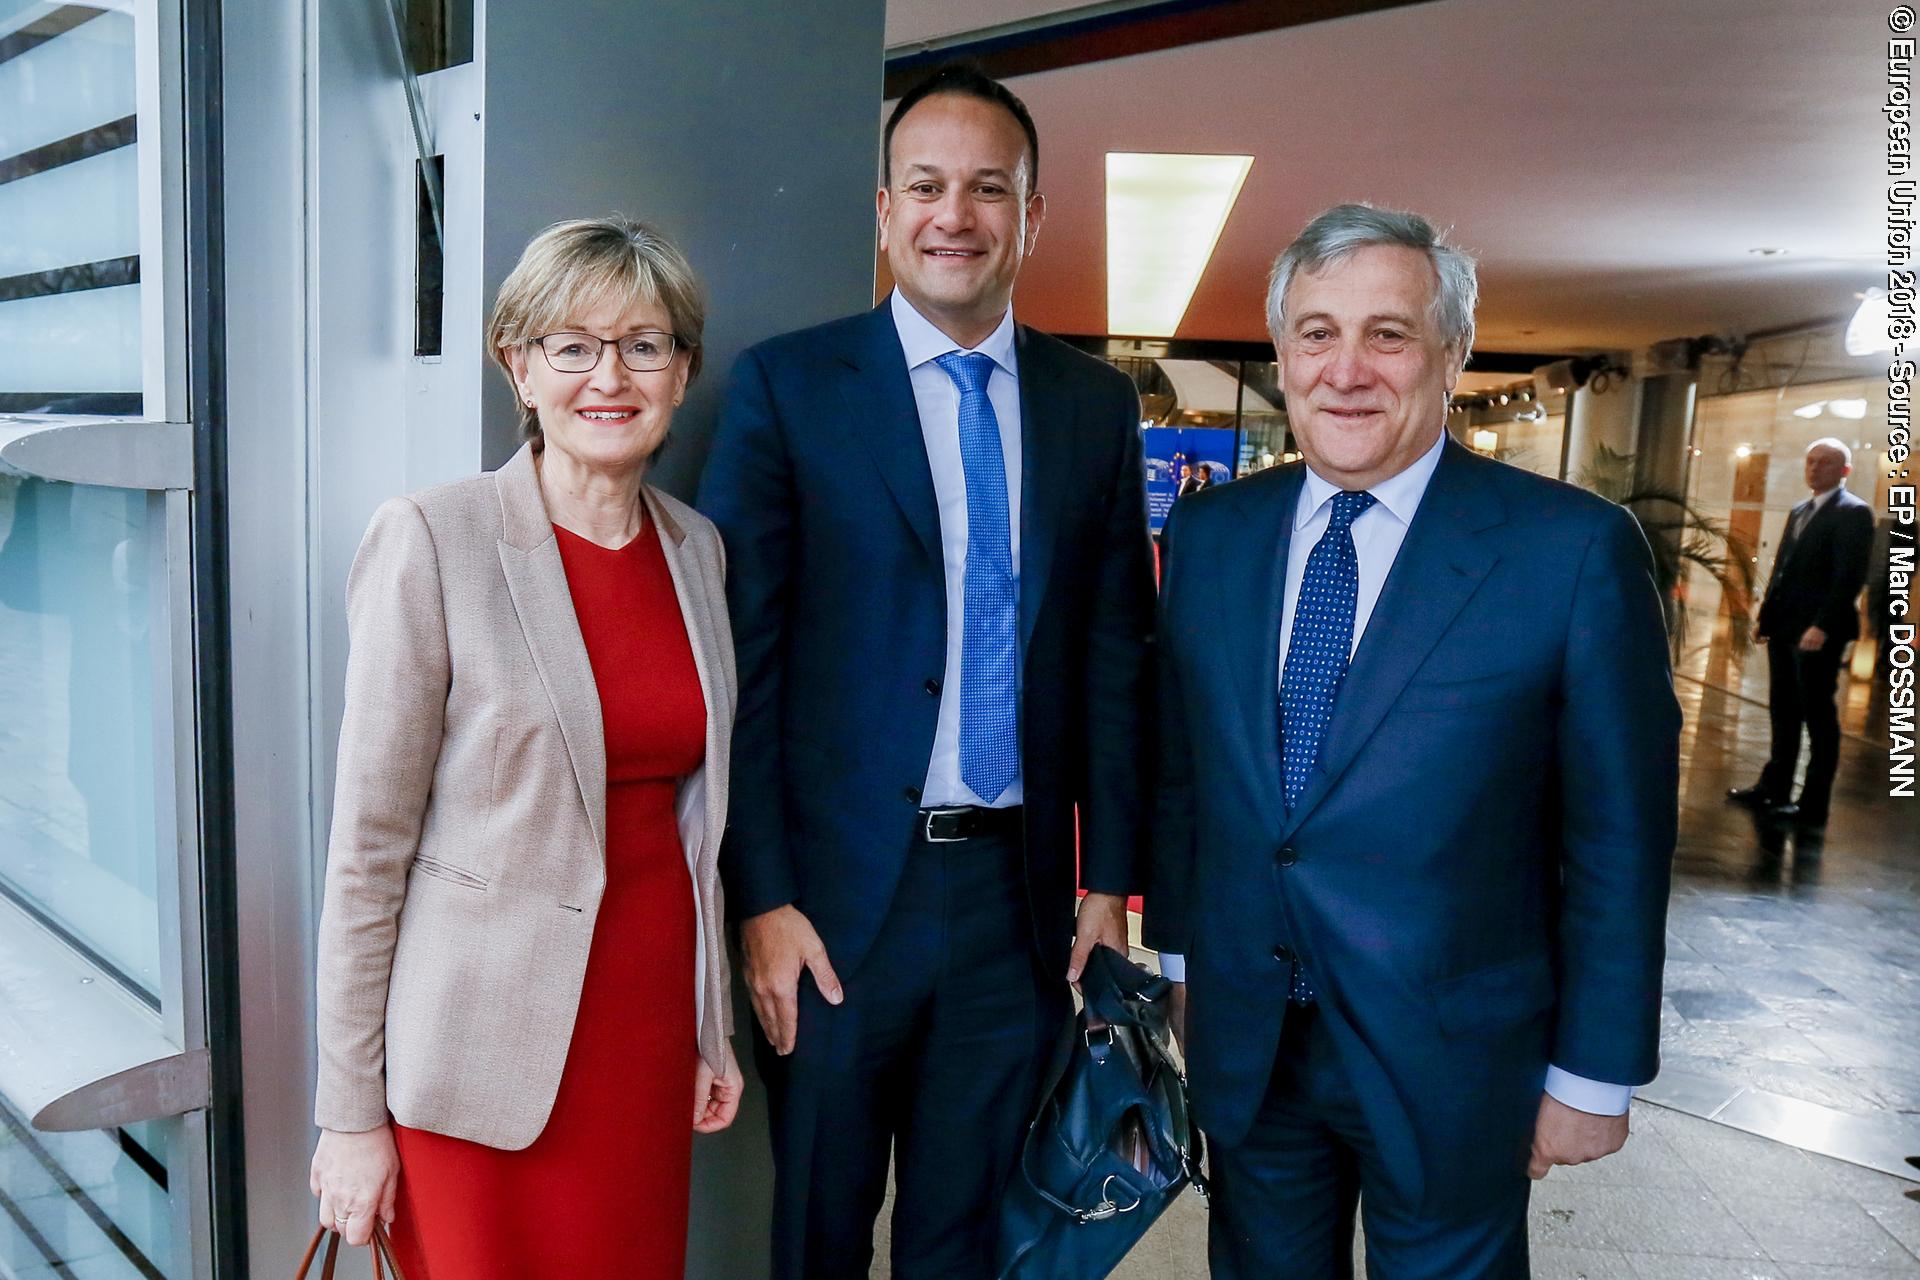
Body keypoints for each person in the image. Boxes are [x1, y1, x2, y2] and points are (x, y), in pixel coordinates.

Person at [1147, 204, 1680, 1279]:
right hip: (1250, 1037)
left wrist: (1593, 1072)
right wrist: (1182, 965)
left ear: (1452, 352)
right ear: (1284, 352)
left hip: (1457, 1056)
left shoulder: (1569, 550)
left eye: (1387, 334)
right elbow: (1186, 770)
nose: (1347, 369)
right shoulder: (1212, 534)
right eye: (1315, 332)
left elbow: (1621, 836)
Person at [698, 65, 1155, 1279]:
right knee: (818, 1235)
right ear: (886, 210)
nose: (956, 213)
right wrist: (762, 897)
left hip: (1016, 913)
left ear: (1032, 216)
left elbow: (1116, 658)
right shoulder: (789, 388)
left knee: (969, 1242)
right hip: (837, 910)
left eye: (988, 189)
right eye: (928, 185)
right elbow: (739, 667)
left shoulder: (1093, 407)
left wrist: (1109, 879)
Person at [308, 217, 743, 1278]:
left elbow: (697, 827)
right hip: (473, 1059)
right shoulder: (433, 536)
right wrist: (350, 1113)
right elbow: (368, 852)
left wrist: (707, 1024)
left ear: (682, 372)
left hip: (640, 1039)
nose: (611, 374)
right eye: (573, 344)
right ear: (519, 364)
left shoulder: (697, 550)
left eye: (645, 344)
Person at [1727, 437, 1875, 827]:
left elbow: (1848, 577)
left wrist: (1822, 625)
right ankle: (1774, 788)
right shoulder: (1799, 510)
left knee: (1818, 716)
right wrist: (1766, 618)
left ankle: (1812, 805)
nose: (1814, 469)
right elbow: (1784, 569)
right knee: (1783, 710)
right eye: (1810, 461)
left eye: (1825, 463)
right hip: (1787, 626)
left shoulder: (1854, 513)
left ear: (1844, 470)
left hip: (1818, 631)